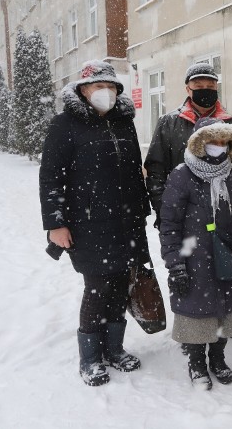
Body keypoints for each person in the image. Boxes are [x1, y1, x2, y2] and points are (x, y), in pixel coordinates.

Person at [39, 60, 150, 386]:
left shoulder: (123, 122)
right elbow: (50, 178)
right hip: (88, 225)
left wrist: (144, 209)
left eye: (110, 87)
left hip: (127, 222)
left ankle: (114, 350)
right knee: (98, 288)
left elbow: (133, 170)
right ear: (83, 91)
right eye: (97, 87)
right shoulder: (65, 125)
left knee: (120, 287)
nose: (104, 92)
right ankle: (90, 358)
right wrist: (55, 223)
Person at [144, 62, 232, 341]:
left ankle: (225, 321)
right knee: (192, 276)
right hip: (185, 216)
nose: (205, 90)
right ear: (188, 88)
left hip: (222, 214)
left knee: (224, 268)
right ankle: (194, 332)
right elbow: (155, 170)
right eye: (198, 86)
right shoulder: (170, 123)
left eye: (210, 86)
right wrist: (163, 209)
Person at [159, 117, 232, 390]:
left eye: (224, 141)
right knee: (195, 313)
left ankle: (217, 358)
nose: (219, 146)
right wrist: (175, 264)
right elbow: (169, 224)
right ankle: (197, 363)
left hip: (227, 256)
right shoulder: (181, 175)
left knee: (226, 311)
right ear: (200, 142)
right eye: (213, 140)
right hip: (194, 258)